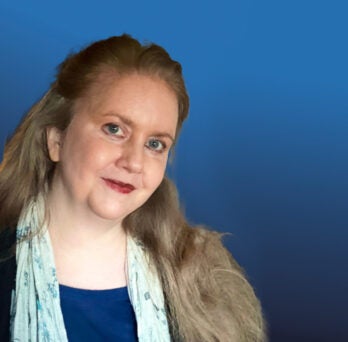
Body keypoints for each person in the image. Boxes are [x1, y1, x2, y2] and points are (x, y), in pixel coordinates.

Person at [0, 34, 265, 341]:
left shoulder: (207, 282)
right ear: (56, 139)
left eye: (155, 144)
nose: (134, 162)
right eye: (114, 129)